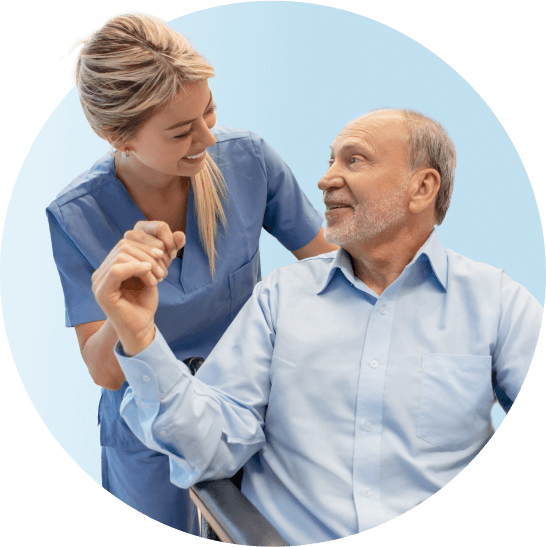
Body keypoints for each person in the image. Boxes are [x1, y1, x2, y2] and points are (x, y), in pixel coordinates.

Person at [93, 108, 543, 543]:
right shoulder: (281, 297)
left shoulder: (497, 302)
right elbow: (210, 445)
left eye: (355, 160)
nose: (325, 180)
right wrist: (140, 336)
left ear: (422, 187)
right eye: (329, 161)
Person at [46, 11, 338, 534]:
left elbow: (327, 268)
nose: (206, 138)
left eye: (210, 112)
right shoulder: (76, 216)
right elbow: (106, 371)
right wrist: (124, 311)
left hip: (247, 411)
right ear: (119, 135)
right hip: (145, 437)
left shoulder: (249, 161)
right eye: (182, 131)